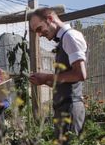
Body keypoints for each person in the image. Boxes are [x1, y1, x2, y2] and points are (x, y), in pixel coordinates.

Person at [28, 7, 88, 136]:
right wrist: (44, 80)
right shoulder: (64, 39)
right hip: (65, 108)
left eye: (39, 28)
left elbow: (80, 74)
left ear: (50, 19)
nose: (39, 34)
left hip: (70, 108)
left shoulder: (70, 37)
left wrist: (48, 76)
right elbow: (67, 81)